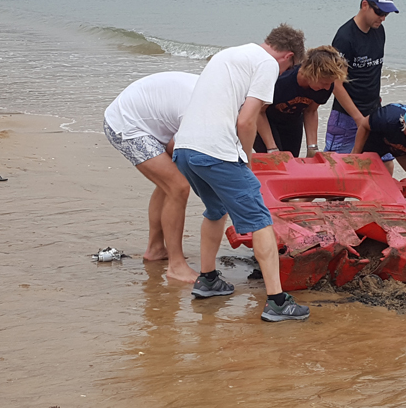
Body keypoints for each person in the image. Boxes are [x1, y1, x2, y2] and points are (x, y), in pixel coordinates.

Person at [172, 24, 312, 321]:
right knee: (261, 220)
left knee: (215, 209)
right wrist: (245, 160)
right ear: (287, 57)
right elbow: (247, 120)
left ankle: (208, 279)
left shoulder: (229, 55)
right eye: (290, 67)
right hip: (216, 151)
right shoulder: (266, 64)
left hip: (184, 149)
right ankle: (277, 301)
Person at [103, 71, 198, 282]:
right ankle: (176, 266)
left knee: (171, 182)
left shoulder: (214, 92)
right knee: (178, 186)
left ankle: (156, 249)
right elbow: (175, 146)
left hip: (142, 119)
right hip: (126, 124)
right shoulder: (204, 107)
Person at [325, 0, 398, 153]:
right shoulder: (345, 37)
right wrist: (358, 119)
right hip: (346, 117)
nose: (383, 18)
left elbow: (372, 73)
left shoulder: (380, 31)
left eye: (386, 13)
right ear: (365, 5)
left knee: (384, 165)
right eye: (379, 12)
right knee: (337, 166)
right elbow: (336, 84)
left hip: (373, 113)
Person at [254, 46, 348, 157]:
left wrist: (312, 147)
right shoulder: (282, 80)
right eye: (324, 83)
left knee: (292, 160)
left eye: (329, 83)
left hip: (292, 120)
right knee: (274, 160)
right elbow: (258, 112)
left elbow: (311, 111)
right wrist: (272, 148)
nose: (327, 88)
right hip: (263, 120)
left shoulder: (325, 87)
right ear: (312, 74)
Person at [352, 103, 406, 214]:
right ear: (404, 124)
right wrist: (355, 155)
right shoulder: (386, 118)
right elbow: (364, 125)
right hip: (377, 142)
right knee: (357, 184)